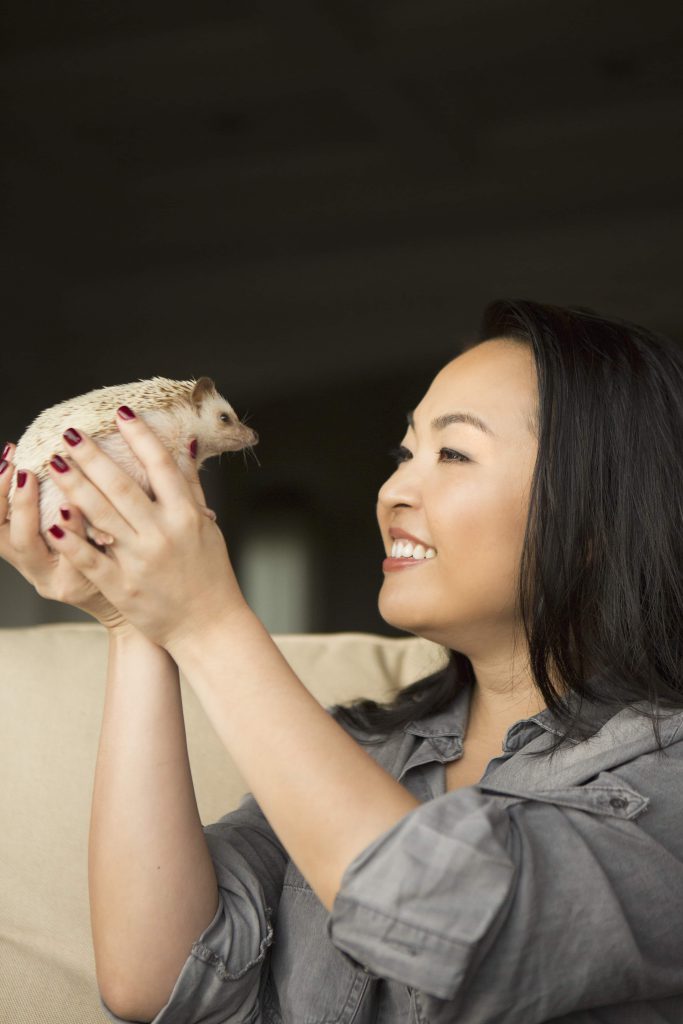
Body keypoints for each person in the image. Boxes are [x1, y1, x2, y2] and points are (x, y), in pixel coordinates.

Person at [1, 297, 682, 1024]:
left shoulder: (661, 772)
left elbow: (457, 934)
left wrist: (208, 621)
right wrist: (133, 618)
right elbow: (156, 979)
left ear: (596, 520)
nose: (392, 492)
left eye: (452, 454)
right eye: (403, 454)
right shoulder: (357, 750)